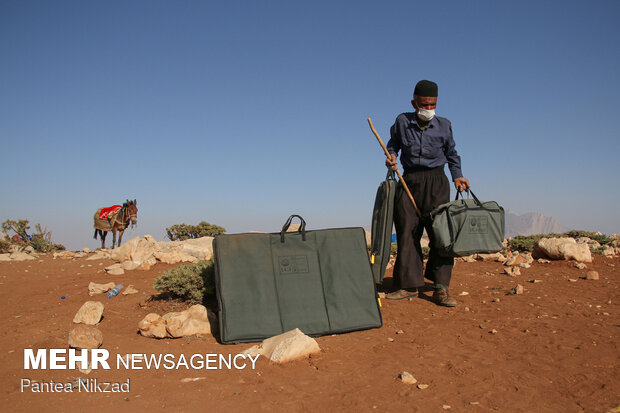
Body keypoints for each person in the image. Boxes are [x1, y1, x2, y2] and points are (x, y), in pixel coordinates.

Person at [385, 80, 469, 307]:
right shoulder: (402, 121)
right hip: (409, 180)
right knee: (407, 231)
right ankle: (408, 285)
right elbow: (393, 144)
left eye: (432, 105)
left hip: (437, 182)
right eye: (424, 104)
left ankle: (441, 288)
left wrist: (457, 176)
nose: (429, 109)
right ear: (414, 103)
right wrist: (391, 157)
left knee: (441, 235)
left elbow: (452, 154)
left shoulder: (444, 125)